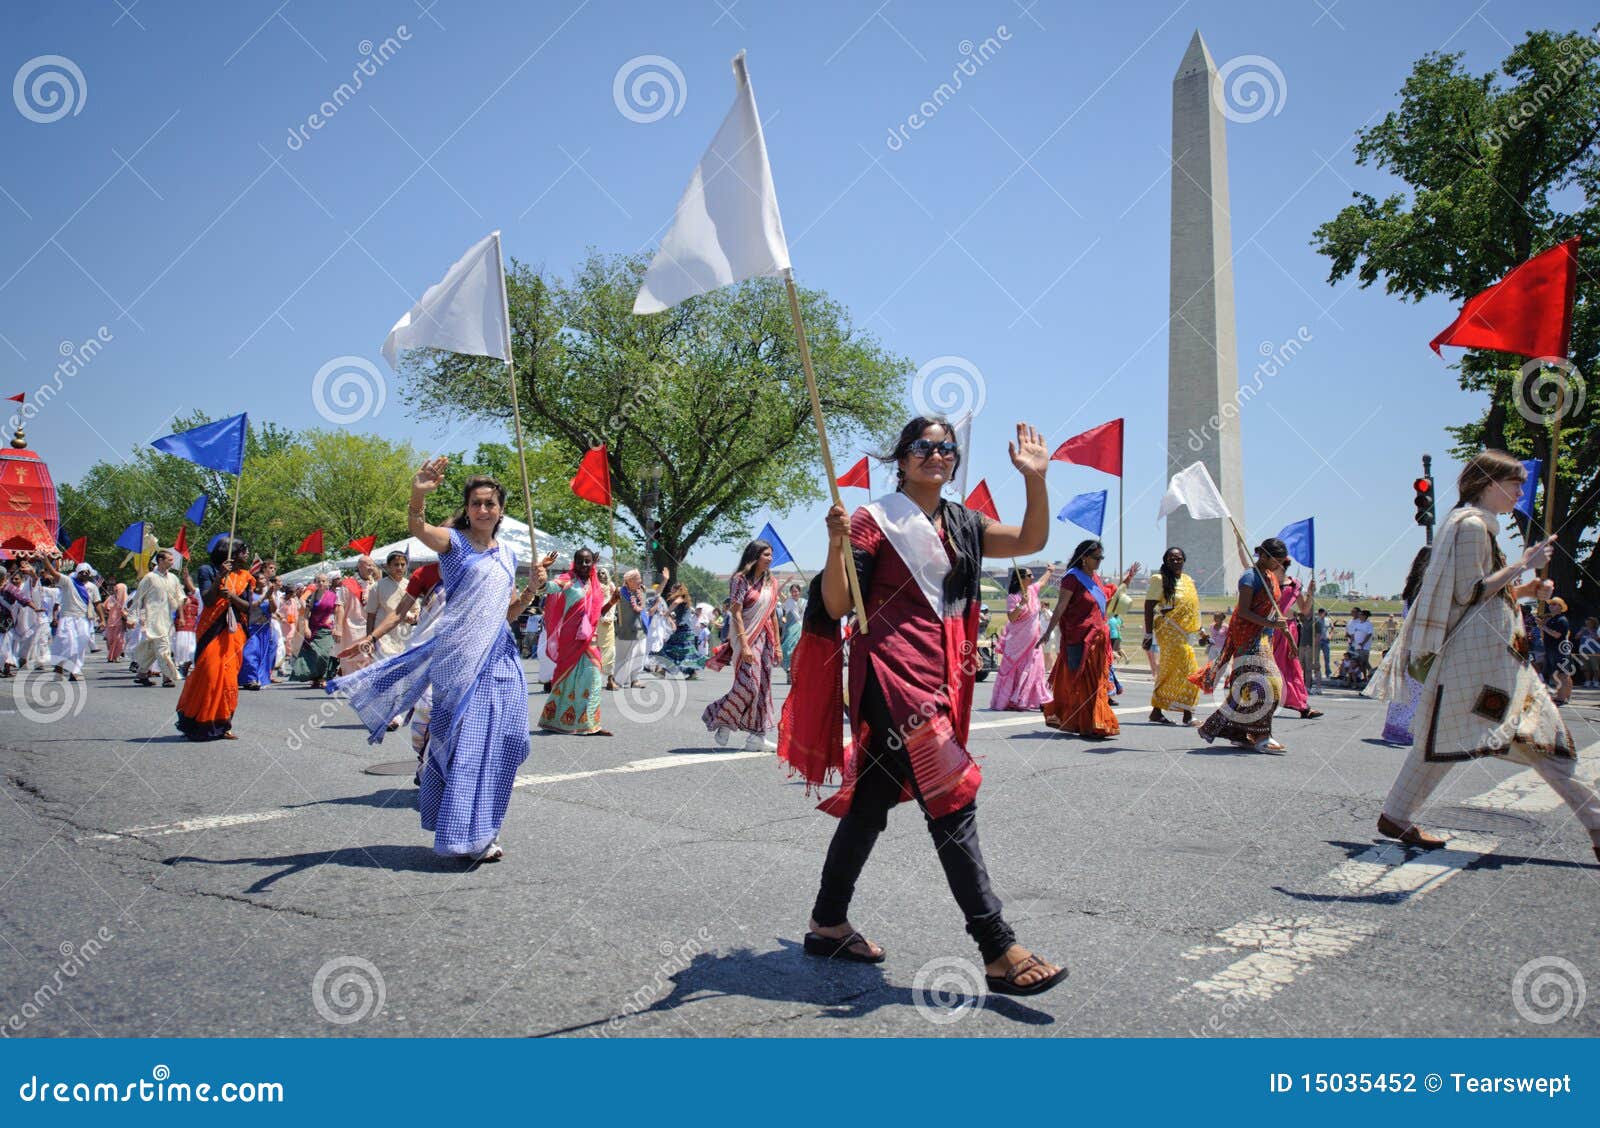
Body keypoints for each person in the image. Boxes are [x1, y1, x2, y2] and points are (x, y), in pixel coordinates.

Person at [782, 416, 1070, 996]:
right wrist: (837, 544)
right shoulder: (872, 520)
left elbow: (1032, 541)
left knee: (870, 804)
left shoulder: (963, 521)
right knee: (951, 794)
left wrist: (1035, 480)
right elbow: (838, 604)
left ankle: (826, 922)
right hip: (892, 677)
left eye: (946, 448)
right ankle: (997, 948)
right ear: (902, 457)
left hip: (943, 675)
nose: (936, 456)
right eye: (923, 447)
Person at [1371, 451, 1600, 861]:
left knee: (1446, 739)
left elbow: (1479, 595)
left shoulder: (1473, 526)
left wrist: (1527, 590)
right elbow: (1470, 593)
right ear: (1487, 483)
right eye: (1513, 483)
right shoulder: (1473, 526)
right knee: (1539, 741)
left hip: (1487, 660)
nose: (1519, 491)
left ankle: (1396, 814)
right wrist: (1522, 565)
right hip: (1483, 662)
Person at [330, 458, 550, 863]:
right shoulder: (454, 542)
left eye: (490, 503)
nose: (483, 510)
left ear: (501, 509)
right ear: (467, 509)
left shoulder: (508, 553)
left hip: (500, 657)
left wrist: (532, 591)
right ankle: (469, 836)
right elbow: (418, 529)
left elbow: (507, 614)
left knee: (509, 742)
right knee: (467, 748)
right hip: (460, 658)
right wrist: (418, 493)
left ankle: (481, 827)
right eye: (476, 503)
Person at [1197, 540, 1289, 754]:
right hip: (1248, 638)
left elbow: (1271, 610)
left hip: (1265, 638)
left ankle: (1235, 732)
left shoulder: (1271, 577)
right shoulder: (1249, 577)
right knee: (1268, 685)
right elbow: (1245, 612)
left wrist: (1280, 631)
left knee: (1250, 688)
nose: (1279, 564)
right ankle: (1261, 735)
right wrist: (1273, 624)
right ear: (1264, 556)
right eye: (1277, 560)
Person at [1042, 540, 1139, 739]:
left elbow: (1108, 596)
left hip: (1098, 638)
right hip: (1078, 637)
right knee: (1079, 680)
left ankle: (1093, 720)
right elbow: (1061, 606)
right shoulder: (1072, 578)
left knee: (1095, 682)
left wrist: (1127, 580)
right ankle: (1082, 721)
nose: (1099, 561)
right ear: (1084, 558)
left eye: (1101, 558)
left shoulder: (1095, 577)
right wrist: (1047, 631)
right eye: (1096, 558)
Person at [174, 538, 256, 741]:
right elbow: (209, 599)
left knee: (228, 680)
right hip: (212, 631)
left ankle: (223, 724)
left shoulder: (245, 577)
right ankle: (196, 722)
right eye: (243, 551)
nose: (246, 555)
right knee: (209, 676)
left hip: (234, 632)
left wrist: (232, 597)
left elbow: (248, 607)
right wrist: (220, 575)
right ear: (231, 553)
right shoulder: (207, 570)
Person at [703, 540, 781, 749]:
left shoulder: (771, 583)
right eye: (766, 554)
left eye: (771, 555)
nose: (770, 559)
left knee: (763, 687)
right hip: (745, 637)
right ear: (754, 556)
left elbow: (772, 614)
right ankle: (722, 719)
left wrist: (779, 645)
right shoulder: (740, 580)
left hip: (766, 639)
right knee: (749, 686)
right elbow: (736, 612)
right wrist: (745, 645)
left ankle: (757, 736)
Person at [538, 547, 618, 736]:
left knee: (594, 679)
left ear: (593, 563)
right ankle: (554, 720)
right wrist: (541, 568)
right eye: (580, 561)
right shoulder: (568, 580)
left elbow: (597, 614)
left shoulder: (595, 584)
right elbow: (545, 587)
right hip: (570, 639)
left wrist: (612, 602)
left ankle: (590, 723)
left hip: (590, 640)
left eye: (588, 561)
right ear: (574, 562)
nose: (584, 565)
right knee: (567, 680)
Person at [1143, 546, 1200, 726]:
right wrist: (1147, 634)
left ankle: (1157, 711)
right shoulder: (1159, 579)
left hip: (1186, 634)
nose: (1175, 561)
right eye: (1171, 559)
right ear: (1165, 562)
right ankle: (1188, 714)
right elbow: (1148, 607)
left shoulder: (1188, 580)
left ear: (1184, 560)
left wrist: (1201, 630)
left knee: (1170, 671)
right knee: (1191, 670)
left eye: (1179, 558)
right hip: (1168, 633)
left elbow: (1193, 608)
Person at [1380, 547, 1431, 745]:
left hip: (1409, 645)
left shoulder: (1411, 591)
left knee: (1407, 688)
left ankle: (1397, 727)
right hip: (1423, 646)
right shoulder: (1426, 591)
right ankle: (1411, 729)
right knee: (1420, 689)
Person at [989, 564, 1055, 711]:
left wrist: (1050, 571)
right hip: (1017, 642)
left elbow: (1042, 582)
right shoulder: (1013, 597)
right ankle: (1011, 699)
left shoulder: (1032, 590)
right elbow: (1012, 618)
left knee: (1036, 668)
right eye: (1029, 576)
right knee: (1016, 669)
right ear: (1021, 579)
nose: (1032, 578)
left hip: (1034, 641)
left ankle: (1037, 699)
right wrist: (1021, 604)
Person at [130, 549, 185, 687]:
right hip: (152, 620)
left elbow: (180, 595)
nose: (172, 562)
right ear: (160, 560)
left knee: (151, 649)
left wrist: (182, 603)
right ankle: (168, 677)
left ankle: (142, 673)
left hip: (167, 619)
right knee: (163, 648)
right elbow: (138, 599)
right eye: (169, 560)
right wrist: (132, 618)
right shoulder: (149, 578)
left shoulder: (173, 578)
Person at [1272, 571, 1321, 720]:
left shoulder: (1293, 585)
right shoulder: (1266, 582)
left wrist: (1311, 593)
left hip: (1289, 629)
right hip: (1270, 628)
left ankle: (1302, 705)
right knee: (1272, 667)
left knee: (1291, 668)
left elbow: (1305, 610)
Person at [36, 557, 95, 682]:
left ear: (89, 574)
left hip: (83, 619)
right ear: (77, 573)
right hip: (68, 618)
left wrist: (102, 619)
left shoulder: (91, 587)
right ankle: (59, 667)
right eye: (81, 572)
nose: (84, 574)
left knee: (80, 644)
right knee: (66, 643)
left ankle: (75, 671)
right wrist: (45, 560)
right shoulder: (69, 582)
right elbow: (54, 573)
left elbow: (97, 603)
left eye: (86, 572)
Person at [291, 574, 341, 688]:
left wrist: (336, 626)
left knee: (325, 653)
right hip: (313, 628)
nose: (321, 583)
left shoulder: (333, 596)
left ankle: (324, 677)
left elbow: (337, 612)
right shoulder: (311, 597)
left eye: (323, 581)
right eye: (318, 581)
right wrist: (306, 628)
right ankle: (315, 678)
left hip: (327, 629)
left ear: (328, 583)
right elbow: (306, 615)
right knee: (314, 654)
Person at [366, 551, 413, 661]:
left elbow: (416, 610)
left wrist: (413, 618)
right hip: (382, 637)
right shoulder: (377, 586)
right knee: (383, 671)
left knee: (402, 671)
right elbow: (370, 616)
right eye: (396, 564)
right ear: (388, 566)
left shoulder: (411, 585)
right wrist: (369, 640)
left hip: (404, 635)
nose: (400, 567)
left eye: (403, 564)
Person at [613, 569, 650, 688]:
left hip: (640, 629)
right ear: (629, 581)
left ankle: (635, 680)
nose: (640, 581)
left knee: (640, 654)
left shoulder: (641, 591)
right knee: (623, 657)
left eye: (640, 579)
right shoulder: (620, 592)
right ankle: (617, 680)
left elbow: (655, 594)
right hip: (625, 630)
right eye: (637, 579)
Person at [658, 582, 703, 678]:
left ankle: (663, 670)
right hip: (684, 628)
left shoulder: (681, 598)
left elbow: (675, 603)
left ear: (677, 590)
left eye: (672, 589)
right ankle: (692, 673)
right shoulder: (684, 599)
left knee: (670, 648)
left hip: (684, 629)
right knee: (683, 651)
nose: (671, 590)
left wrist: (666, 613)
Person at [1540, 597, 1574, 706]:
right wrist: (1543, 627)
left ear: (1560, 606)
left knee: (1562, 674)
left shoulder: (1562, 620)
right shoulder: (1551, 620)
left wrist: (1543, 627)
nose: (1551, 606)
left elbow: (1557, 634)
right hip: (1551, 650)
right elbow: (1545, 634)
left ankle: (1561, 697)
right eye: (1550, 604)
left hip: (1560, 650)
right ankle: (1565, 696)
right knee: (1560, 674)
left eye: (1554, 604)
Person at [595, 565, 619, 691]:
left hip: (608, 624)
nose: (601, 575)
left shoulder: (612, 587)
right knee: (596, 652)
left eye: (603, 573)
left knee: (611, 651)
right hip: (596, 624)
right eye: (599, 573)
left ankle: (610, 679)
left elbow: (614, 602)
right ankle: (595, 679)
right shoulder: (593, 587)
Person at [778, 582, 805, 680]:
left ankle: (795, 673)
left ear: (799, 592)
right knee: (786, 650)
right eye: (792, 591)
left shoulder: (804, 602)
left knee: (798, 652)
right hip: (790, 630)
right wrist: (786, 581)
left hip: (801, 629)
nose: (794, 593)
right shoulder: (788, 601)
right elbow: (778, 591)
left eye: (796, 591)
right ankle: (789, 671)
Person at [173, 582, 200, 678]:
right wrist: (181, 617)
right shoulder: (182, 599)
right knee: (182, 646)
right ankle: (181, 665)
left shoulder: (196, 598)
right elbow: (179, 605)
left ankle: (186, 665)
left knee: (191, 647)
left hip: (193, 625)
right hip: (183, 625)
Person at [102, 581, 128, 664]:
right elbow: (104, 607)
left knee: (119, 640)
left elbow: (129, 610)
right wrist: (105, 613)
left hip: (120, 623)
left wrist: (125, 613)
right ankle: (111, 655)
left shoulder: (127, 600)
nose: (116, 591)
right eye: (115, 590)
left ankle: (116, 656)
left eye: (118, 590)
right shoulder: (111, 598)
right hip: (110, 622)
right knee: (110, 640)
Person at [1577, 616, 1600, 689]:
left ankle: (1596, 681)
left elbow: (1597, 638)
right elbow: (1576, 637)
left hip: (1595, 652)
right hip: (1583, 652)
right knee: (1585, 668)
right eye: (1586, 623)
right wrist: (1581, 631)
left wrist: (1589, 630)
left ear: (1594, 623)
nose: (1588, 624)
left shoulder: (1597, 630)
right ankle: (1588, 681)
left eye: (1589, 623)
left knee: (1596, 668)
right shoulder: (1583, 629)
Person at [1314, 608, 1332, 678]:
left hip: (1326, 641)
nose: (1323, 614)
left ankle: (1328, 673)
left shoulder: (1328, 620)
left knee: (1327, 658)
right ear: (1319, 613)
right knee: (1316, 658)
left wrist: (1330, 635)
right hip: (1318, 641)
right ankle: (1317, 672)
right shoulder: (1316, 620)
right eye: (1321, 613)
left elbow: (1332, 627)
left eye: (1324, 613)